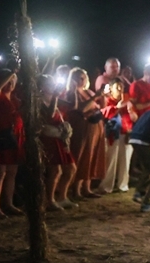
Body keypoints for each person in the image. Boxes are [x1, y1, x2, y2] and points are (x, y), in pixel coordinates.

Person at [0, 69, 24, 218]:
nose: (11, 83)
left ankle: (8, 203)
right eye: (8, 80)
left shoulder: (14, 98)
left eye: (14, 80)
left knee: (12, 172)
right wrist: (13, 70)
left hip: (14, 137)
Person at [64, 67, 106, 200]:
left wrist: (102, 96)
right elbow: (81, 109)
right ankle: (76, 191)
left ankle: (87, 188)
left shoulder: (88, 91)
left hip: (95, 127)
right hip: (82, 128)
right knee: (82, 156)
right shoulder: (72, 93)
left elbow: (100, 106)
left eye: (83, 77)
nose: (81, 80)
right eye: (78, 77)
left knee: (92, 156)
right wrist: (95, 97)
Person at [37, 74, 77, 210]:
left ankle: (62, 197)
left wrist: (73, 91)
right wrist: (55, 96)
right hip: (48, 137)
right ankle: (50, 200)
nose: (52, 86)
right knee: (55, 170)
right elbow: (49, 115)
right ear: (42, 86)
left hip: (59, 137)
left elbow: (72, 106)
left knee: (71, 168)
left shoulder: (55, 98)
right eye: (49, 83)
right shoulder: (39, 100)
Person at [98, 77, 135, 194]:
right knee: (111, 160)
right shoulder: (107, 100)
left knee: (125, 159)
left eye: (122, 87)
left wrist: (131, 111)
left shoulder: (128, 100)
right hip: (112, 134)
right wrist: (117, 107)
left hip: (126, 132)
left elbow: (134, 117)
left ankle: (123, 184)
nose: (120, 90)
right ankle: (107, 185)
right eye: (117, 88)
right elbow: (104, 113)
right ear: (112, 89)